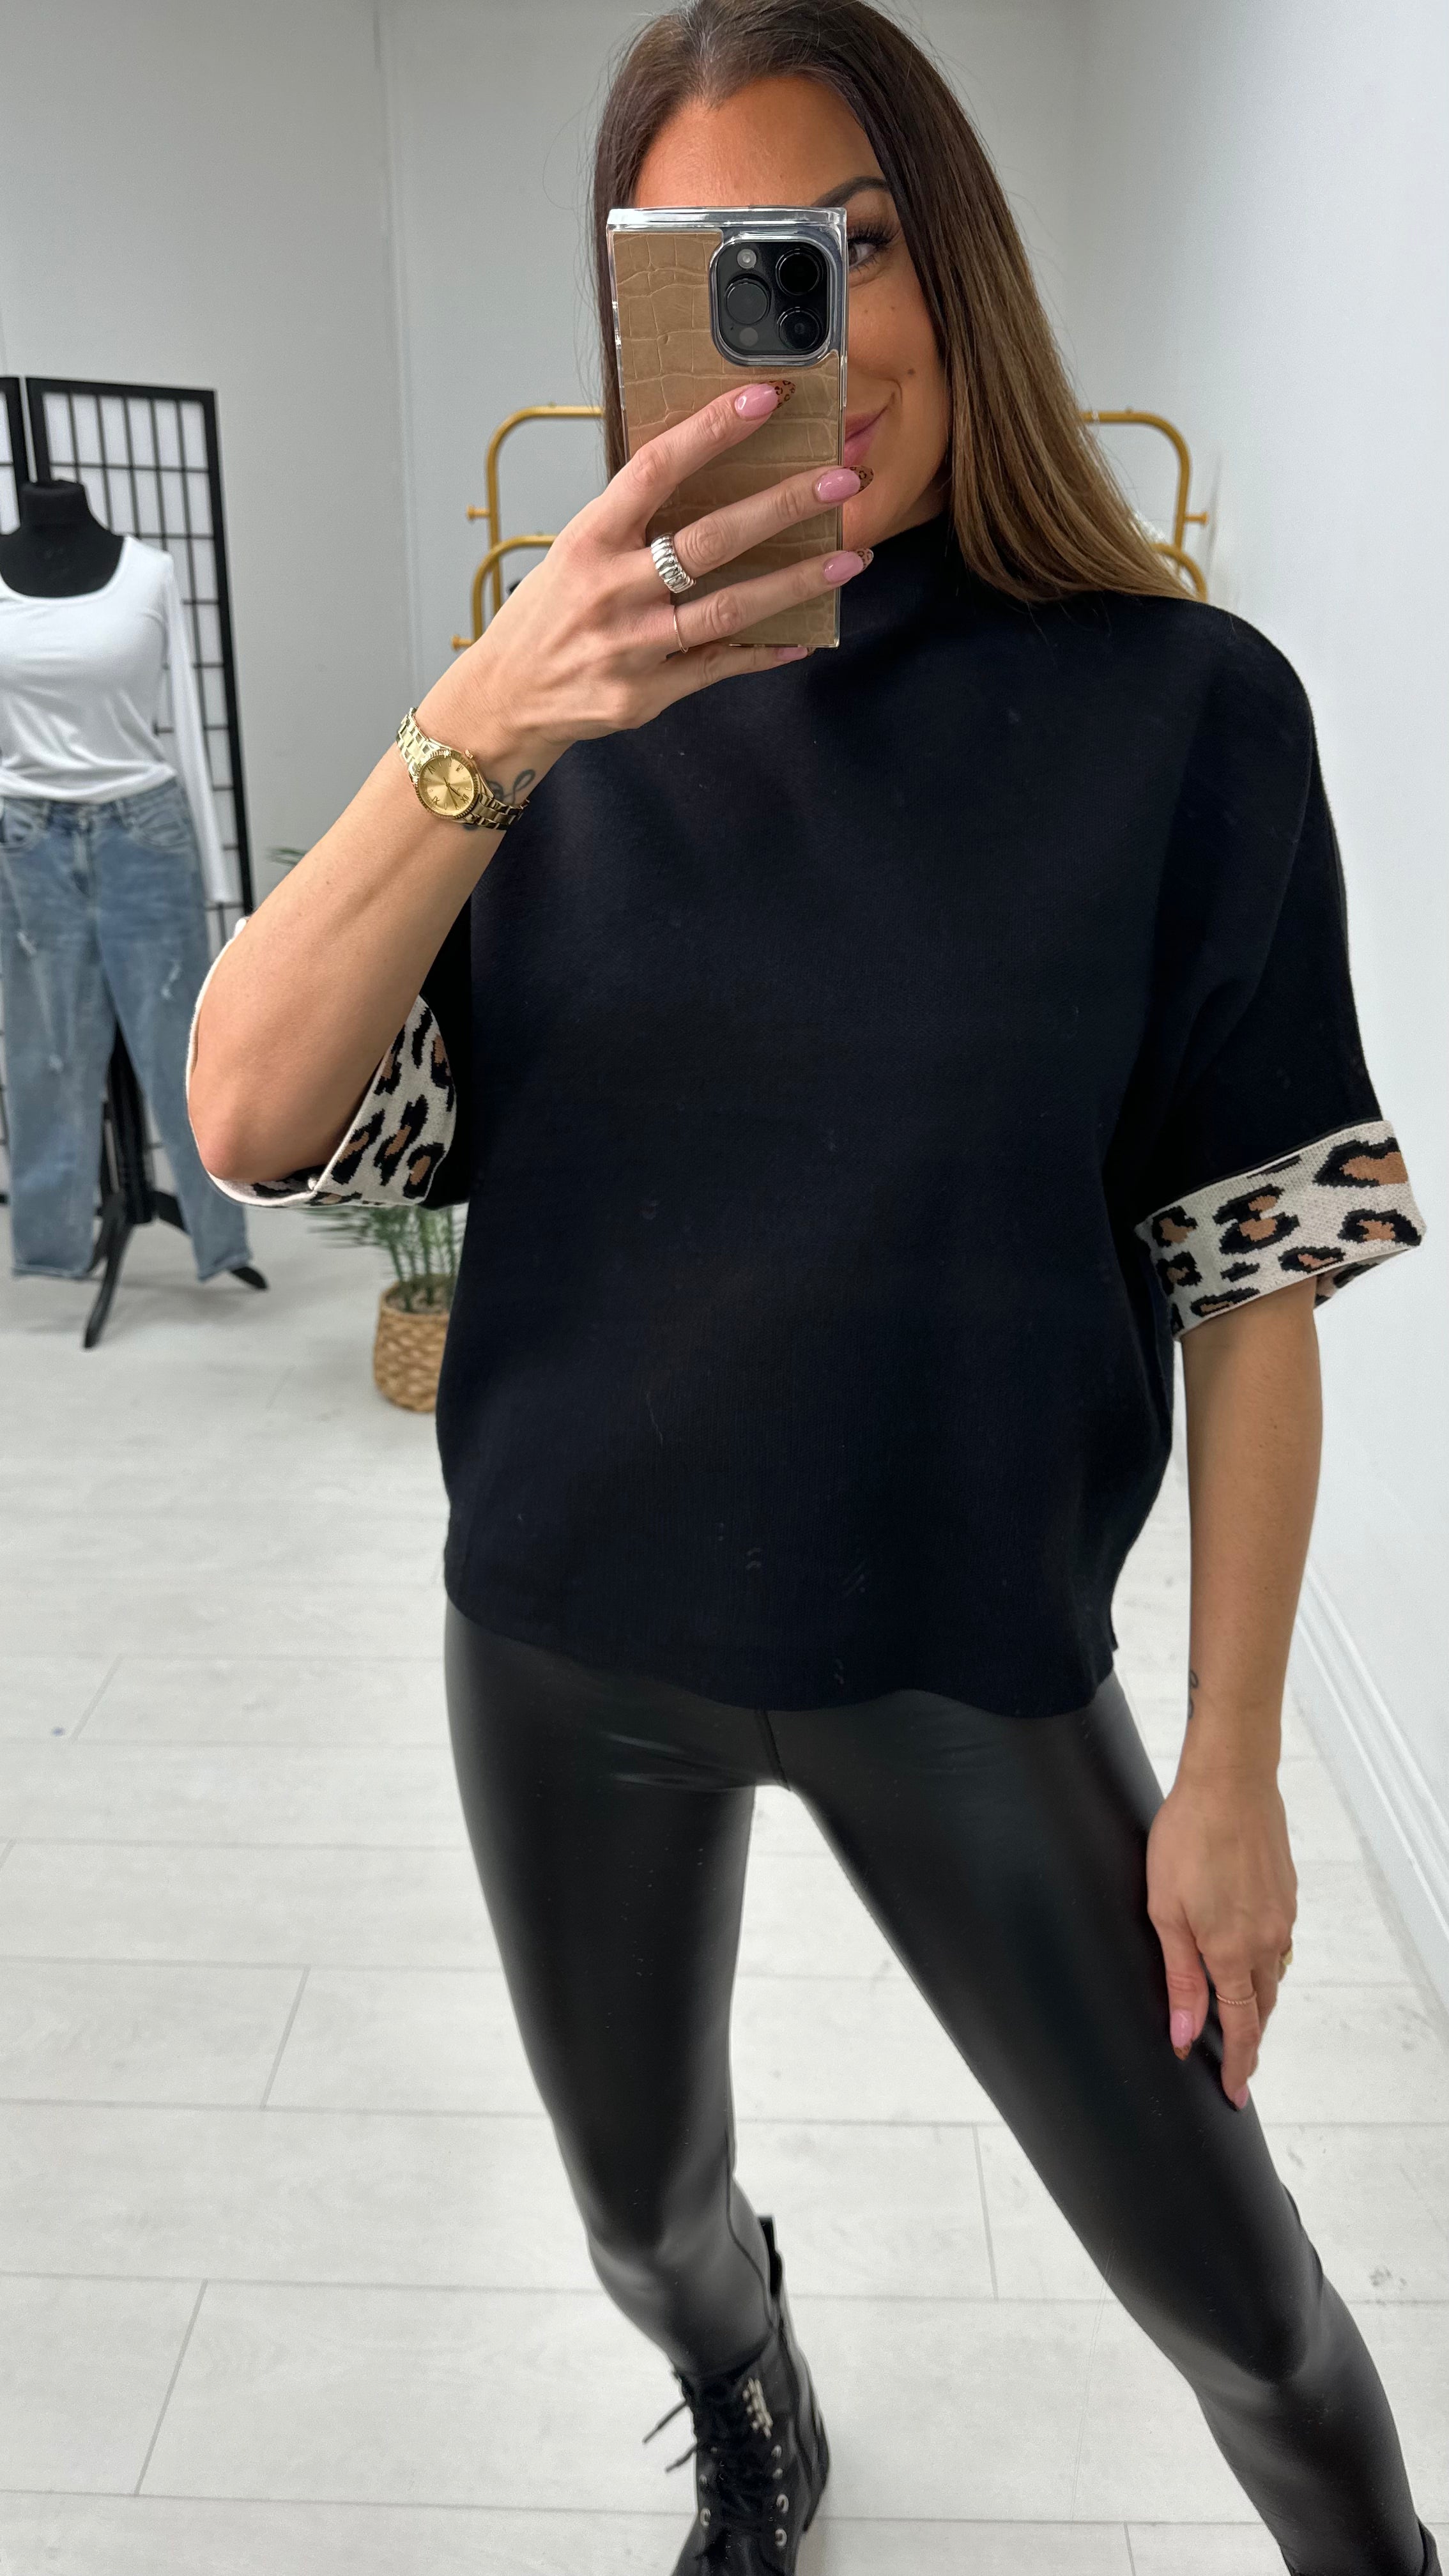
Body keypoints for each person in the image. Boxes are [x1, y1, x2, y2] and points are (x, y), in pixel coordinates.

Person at [187, 2, 1432, 2567]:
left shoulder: (1182, 718)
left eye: (860, 248)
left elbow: (1255, 1267)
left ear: (959, 262)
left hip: (965, 1662)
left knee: (1239, 2302)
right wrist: (495, 703)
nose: (820, 338)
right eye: (735, 273)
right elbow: (250, 1114)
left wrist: (1225, 1766)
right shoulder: (548, 725)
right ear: (642, 330)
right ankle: (752, 2400)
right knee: (643, 2224)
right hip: (568, 1641)